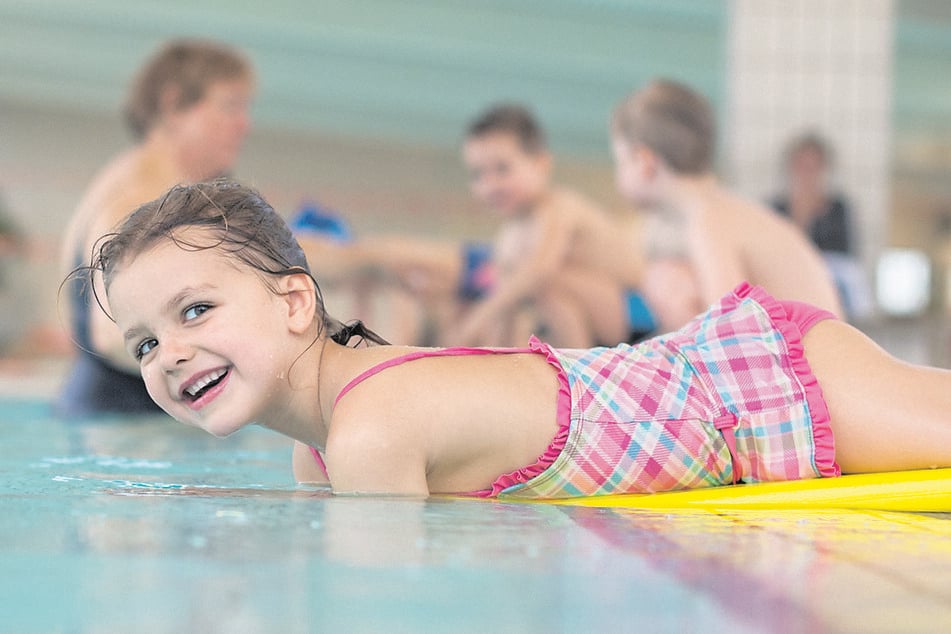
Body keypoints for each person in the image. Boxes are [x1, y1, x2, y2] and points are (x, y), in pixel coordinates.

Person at [89, 179, 951, 499]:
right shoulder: (315, 453)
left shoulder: (369, 431)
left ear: (293, 302)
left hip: (761, 394)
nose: (167, 354)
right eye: (143, 344)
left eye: (194, 312)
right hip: (720, 378)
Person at [56, 38, 254, 417]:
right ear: (173, 104)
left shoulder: (130, 177)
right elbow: (111, 335)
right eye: (231, 106)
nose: (245, 123)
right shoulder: (143, 195)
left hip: (104, 410)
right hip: (127, 422)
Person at [610, 79, 843, 333]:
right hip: (819, 358)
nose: (618, 175)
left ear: (645, 162)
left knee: (666, 281)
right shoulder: (722, 210)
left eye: (620, 162)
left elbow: (726, 337)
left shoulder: (709, 220)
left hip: (818, 368)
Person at [453, 103, 648, 348]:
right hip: (595, 315)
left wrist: (477, 319)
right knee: (515, 291)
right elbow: (505, 305)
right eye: (478, 174)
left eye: (502, 169)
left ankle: (574, 374)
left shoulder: (559, 207)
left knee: (539, 283)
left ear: (541, 164)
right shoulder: (509, 235)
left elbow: (539, 271)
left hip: (637, 311)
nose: (490, 184)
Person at [771, 132, 872, 320]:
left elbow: (848, 254)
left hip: (832, 287)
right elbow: (775, 253)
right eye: (803, 167)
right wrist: (802, 214)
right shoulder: (778, 209)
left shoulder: (838, 208)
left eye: (813, 167)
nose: (808, 174)